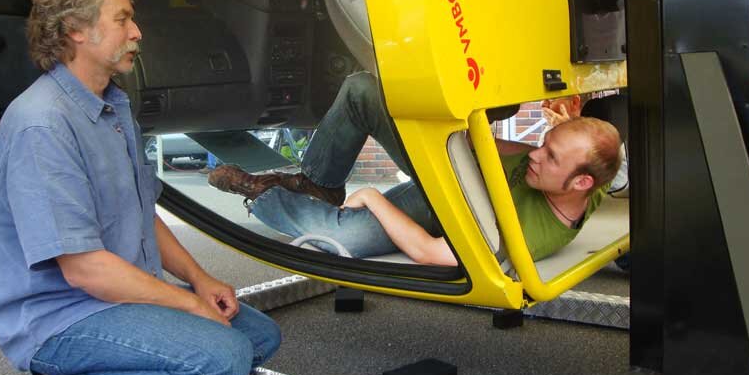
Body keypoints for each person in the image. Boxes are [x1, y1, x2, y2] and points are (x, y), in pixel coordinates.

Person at [0, 0, 281, 375]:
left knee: (256, 337)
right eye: (122, 19)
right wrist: (187, 308)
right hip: (60, 316)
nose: (137, 31)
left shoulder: (112, 107)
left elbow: (142, 211)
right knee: (220, 362)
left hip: (111, 298)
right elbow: (83, 269)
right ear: (76, 29)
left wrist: (199, 279)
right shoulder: (43, 126)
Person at [209, 72, 620, 265]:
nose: (535, 154)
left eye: (550, 157)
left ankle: (264, 195)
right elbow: (491, 146)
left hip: (445, 208)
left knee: (344, 238)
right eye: (544, 145)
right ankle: (317, 184)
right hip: (454, 165)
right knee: (362, 90)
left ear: (580, 182)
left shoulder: (532, 237)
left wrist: (371, 196)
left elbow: (429, 251)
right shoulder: (592, 175)